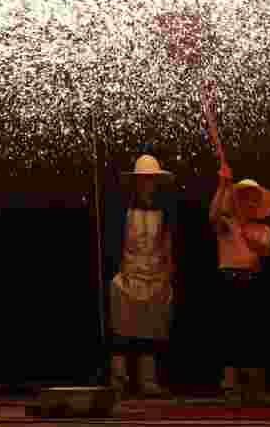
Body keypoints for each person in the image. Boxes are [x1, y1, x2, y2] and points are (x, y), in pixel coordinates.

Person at [104, 154, 177, 398]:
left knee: (152, 328)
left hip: (155, 275)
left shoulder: (165, 211)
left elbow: (167, 243)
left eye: (151, 180)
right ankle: (118, 379)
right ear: (136, 183)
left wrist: (167, 272)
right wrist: (120, 270)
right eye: (144, 180)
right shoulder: (122, 210)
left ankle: (148, 380)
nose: (148, 184)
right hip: (128, 274)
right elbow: (115, 242)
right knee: (121, 329)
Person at [209, 159, 270, 406]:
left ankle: (253, 388)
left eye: (252, 199)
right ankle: (230, 387)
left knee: (252, 336)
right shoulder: (227, 224)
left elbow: (265, 250)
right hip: (229, 282)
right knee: (230, 335)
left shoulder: (264, 230)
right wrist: (222, 186)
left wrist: (249, 236)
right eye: (244, 198)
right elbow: (214, 215)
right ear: (237, 201)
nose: (248, 202)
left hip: (252, 284)